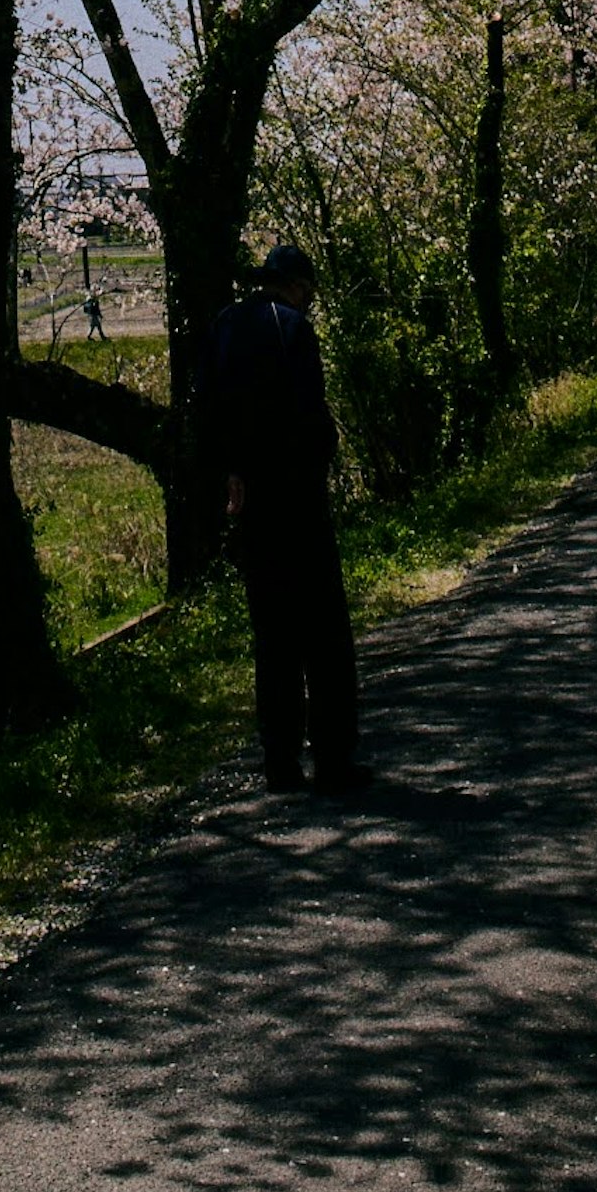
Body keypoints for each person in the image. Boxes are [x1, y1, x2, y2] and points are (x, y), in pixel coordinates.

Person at [204, 238, 361, 792]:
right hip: (298, 498)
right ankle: (335, 759)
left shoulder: (225, 324)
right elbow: (311, 413)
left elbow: (210, 410)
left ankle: (280, 761)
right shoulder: (291, 326)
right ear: (297, 287)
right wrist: (325, 454)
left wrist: (231, 472)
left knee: (272, 634)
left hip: (251, 502)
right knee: (323, 633)